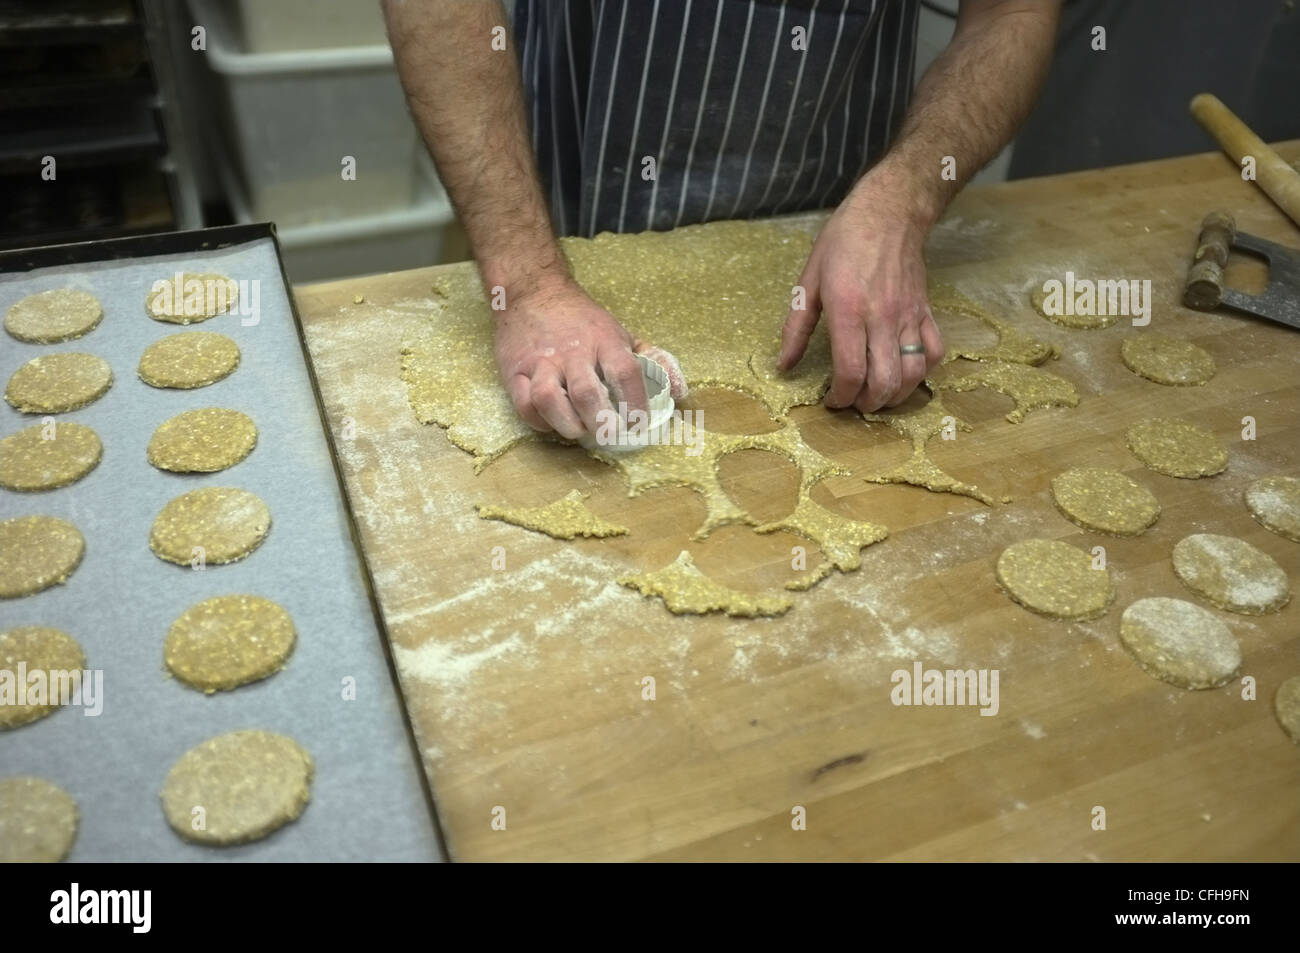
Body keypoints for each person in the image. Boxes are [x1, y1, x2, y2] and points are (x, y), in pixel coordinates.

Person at [383, 0, 1059, 440]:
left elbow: (1012, 14)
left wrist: (905, 198)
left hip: (835, 226)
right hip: (551, 189)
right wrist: (526, 281)